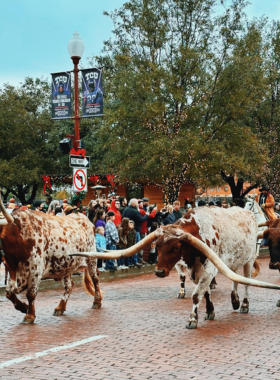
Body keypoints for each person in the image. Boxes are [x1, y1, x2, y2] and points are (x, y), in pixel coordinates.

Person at [122, 198, 151, 267]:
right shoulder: (135, 211)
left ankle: (128, 262)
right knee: (136, 246)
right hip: (136, 231)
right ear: (134, 204)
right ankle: (134, 261)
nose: (138, 205)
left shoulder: (125, 210)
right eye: (137, 203)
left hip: (126, 230)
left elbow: (122, 218)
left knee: (128, 246)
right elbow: (141, 220)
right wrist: (146, 214)